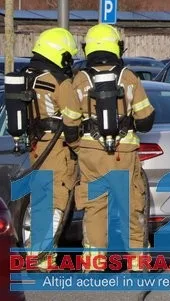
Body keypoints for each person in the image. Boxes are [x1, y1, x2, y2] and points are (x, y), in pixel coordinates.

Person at [72, 24, 155, 271]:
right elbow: (145, 119)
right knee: (131, 206)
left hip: (90, 154)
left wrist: (82, 147)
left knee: (95, 208)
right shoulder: (128, 77)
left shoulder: (80, 79)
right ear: (115, 47)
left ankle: (94, 263)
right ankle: (139, 262)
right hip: (123, 153)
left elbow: (69, 122)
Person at [20, 27, 83, 270]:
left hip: (36, 146)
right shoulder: (59, 80)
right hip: (56, 149)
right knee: (56, 200)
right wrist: (81, 148)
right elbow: (73, 117)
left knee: (40, 200)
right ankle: (42, 258)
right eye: (68, 56)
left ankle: (36, 256)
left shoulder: (28, 75)